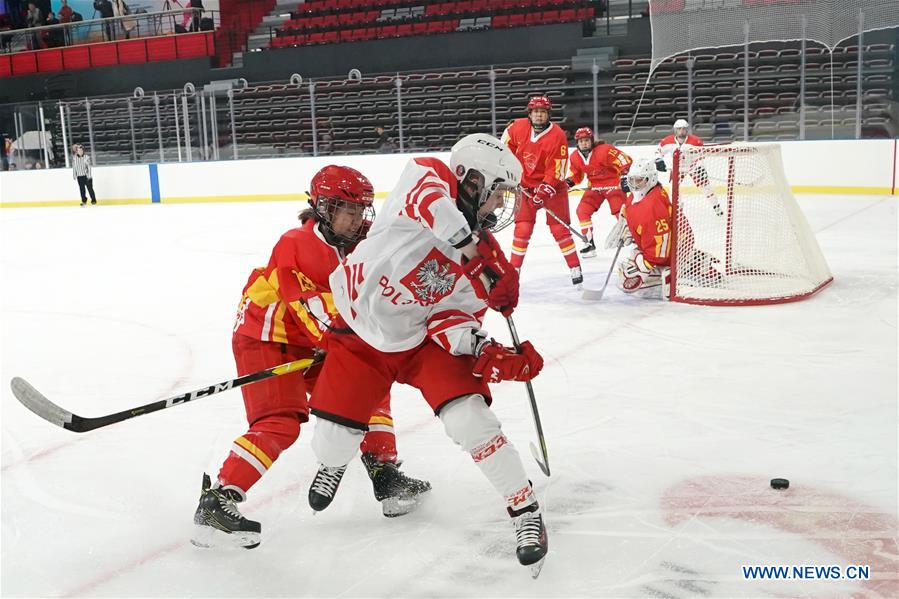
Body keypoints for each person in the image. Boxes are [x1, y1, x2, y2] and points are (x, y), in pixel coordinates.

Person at [304, 133, 549, 574]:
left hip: (417, 340)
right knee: (333, 441)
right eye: (496, 194)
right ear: (471, 180)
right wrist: (475, 256)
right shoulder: (427, 175)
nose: (498, 208)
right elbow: (435, 209)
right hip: (359, 328)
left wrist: (489, 351)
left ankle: (526, 511)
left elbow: (450, 322)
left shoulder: (485, 259)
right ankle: (333, 463)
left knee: (470, 418)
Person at [192, 165, 432, 550]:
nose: (357, 219)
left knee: (369, 385)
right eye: (348, 210)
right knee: (280, 422)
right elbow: (316, 319)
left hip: (315, 337)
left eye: (361, 210)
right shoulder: (296, 245)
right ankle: (217, 502)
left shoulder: (359, 241)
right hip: (266, 337)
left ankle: (385, 475)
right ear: (323, 207)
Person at [501, 95, 583, 286]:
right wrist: (511, 174)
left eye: (542, 112)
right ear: (530, 114)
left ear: (548, 114)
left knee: (560, 229)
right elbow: (504, 149)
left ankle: (574, 267)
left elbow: (557, 168)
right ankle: (514, 270)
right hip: (525, 187)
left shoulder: (558, 135)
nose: (539, 115)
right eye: (535, 111)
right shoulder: (516, 127)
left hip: (552, 188)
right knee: (522, 229)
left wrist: (543, 192)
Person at [565, 127, 632, 258]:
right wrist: (567, 183)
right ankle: (589, 243)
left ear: (591, 141)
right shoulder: (575, 157)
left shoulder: (605, 150)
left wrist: (624, 176)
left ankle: (632, 236)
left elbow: (625, 160)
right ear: (577, 143)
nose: (584, 143)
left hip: (613, 186)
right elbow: (576, 176)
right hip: (594, 188)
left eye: (586, 140)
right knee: (582, 210)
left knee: (620, 211)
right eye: (581, 141)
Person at [655, 119, 722, 216]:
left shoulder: (696, 141)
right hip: (677, 169)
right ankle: (679, 208)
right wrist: (658, 160)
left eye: (684, 129)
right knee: (673, 189)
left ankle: (716, 207)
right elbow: (658, 152)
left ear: (687, 130)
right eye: (679, 129)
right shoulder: (667, 141)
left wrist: (700, 168)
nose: (681, 131)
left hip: (693, 168)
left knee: (706, 188)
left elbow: (701, 156)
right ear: (675, 130)